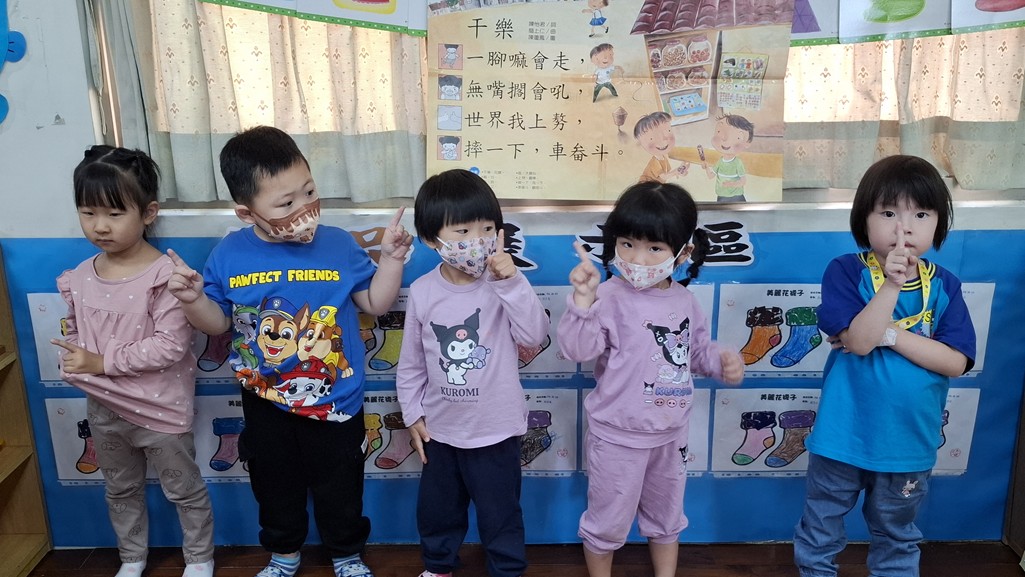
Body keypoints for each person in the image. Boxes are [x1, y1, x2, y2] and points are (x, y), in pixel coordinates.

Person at [166, 126, 412, 577]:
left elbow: (375, 304)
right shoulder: (228, 254)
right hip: (265, 399)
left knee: (342, 481)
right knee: (273, 481)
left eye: (310, 192)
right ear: (247, 212)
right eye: (285, 204)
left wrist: (392, 260)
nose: (304, 209)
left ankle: (347, 553)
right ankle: (283, 552)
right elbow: (217, 323)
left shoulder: (339, 244)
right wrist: (192, 300)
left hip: (336, 398)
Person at [793, 155, 976, 577]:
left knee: (897, 536)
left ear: (938, 223)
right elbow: (859, 342)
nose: (903, 228)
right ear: (864, 218)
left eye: (921, 214)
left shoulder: (945, 285)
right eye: (889, 213)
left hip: (908, 442)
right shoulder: (845, 271)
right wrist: (892, 284)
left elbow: (954, 362)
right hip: (842, 436)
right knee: (820, 531)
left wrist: (889, 335)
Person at [557, 181, 745, 577]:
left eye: (654, 248)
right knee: (607, 522)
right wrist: (583, 302)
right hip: (617, 437)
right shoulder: (608, 295)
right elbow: (577, 349)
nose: (638, 258)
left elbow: (694, 354)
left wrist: (720, 361)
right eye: (627, 244)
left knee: (667, 518)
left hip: (670, 436)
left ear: (683, 252)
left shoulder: (685, 301)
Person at [53, 145, 215, 577]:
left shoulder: (165, 277)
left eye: (114, 213)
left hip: (160, 411)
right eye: (88, 212)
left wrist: (99, 362)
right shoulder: (79, 276)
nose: (99, 226)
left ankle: (200, 558)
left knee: (184, 490)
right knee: (120, 490)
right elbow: (76, 329)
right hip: (104, 409)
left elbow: (169, 346)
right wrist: (74, 356)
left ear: (148, 213)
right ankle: (132, 557)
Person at [396, 169, 550, 577]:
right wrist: (412, 413)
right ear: (431, 238)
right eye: (463, 231)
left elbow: (534, 335)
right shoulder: (424, 291)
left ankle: (507, 569)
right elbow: (411, 363)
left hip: (496, 430)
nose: (477, 240)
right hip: (441, 431)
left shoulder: (504, 283)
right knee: (438, 512)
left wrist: (511, 282)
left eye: (487, 229)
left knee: (501, 514)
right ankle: (438, 566)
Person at [702, 113, 754, 202]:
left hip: (736, 196)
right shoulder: (720, 162)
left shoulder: (737, 162)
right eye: (719, 132)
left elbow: (743, 181)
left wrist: (732, 184)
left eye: (737, 137)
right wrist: (706, 167)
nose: (725, 139)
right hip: (721, 195)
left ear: (747, 143)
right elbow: (711, 176)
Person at [634, 111, 688, 183]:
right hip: (645, 187)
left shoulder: (663, 158)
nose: (663, 140)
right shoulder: (654, 162)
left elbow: (667, 174)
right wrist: (676, 172)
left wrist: (679, 171)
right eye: (651, 138)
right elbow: (664, 176)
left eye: (668, 131)